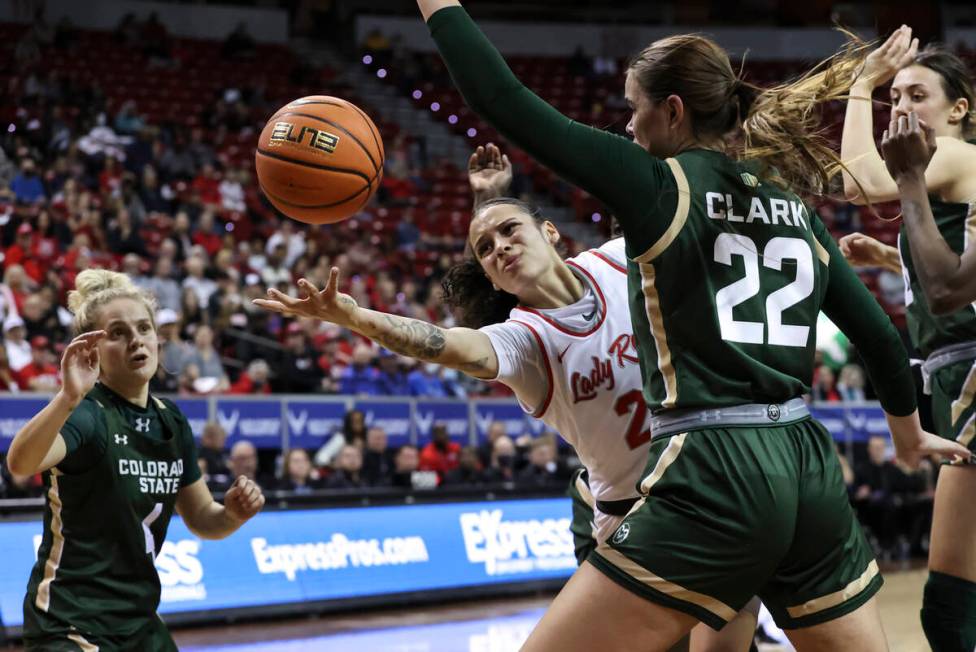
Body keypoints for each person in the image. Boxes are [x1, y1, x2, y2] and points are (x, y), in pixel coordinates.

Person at [412, 4, 970, 650]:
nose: (627, 123)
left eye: (633, 107)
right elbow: (876, 331)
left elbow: (499, 97)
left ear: (672, 111)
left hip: (714, 468)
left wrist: (438, 4)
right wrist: (906, 436)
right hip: (808, 467)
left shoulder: (656, 183)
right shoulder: (786, 198)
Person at [256, 143, 758, 650]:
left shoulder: (616, 260)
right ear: (490, 276)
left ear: (551, 231)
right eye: (485, 249)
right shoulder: (523, 340)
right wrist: (354, 317)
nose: (498, 247)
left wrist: (491, 199)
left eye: (510, 232)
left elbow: (667, 204)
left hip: (703, 490)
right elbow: (446, 345)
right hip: (632, 514)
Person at [5, 269, 264, 651]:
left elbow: (203, 519)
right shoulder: (87, 414)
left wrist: (233, 515)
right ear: (91, 348)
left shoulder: (170, 419)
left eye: (143, 328)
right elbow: (21, 464)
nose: (136, 341)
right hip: (69, 620)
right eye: (118, 333)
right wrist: (66, 398)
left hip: (138, 619)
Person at [838, 29, 976, 650]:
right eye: (894, 95)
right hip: (951, 370)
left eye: (917, 95)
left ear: (958, 110)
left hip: (970, 368)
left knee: (948, 602)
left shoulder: (953, 152)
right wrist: (893, 263)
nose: (902, 108)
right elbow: (953, 273)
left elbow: (857, 183)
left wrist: (862, 85)